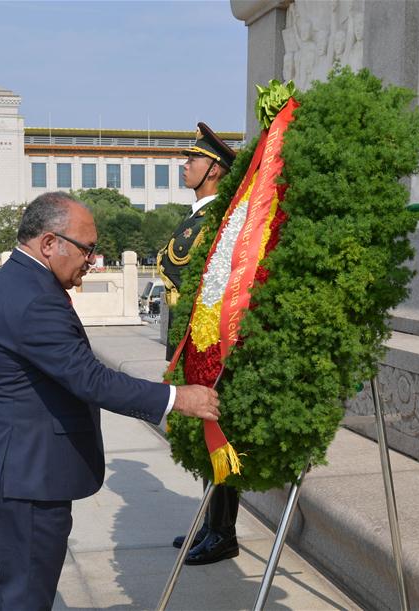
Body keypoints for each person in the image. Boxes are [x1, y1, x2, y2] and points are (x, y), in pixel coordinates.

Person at [0, 192, 221, 610]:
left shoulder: (24, 279)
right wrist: (177, 398)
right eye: (87, 249)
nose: (92, 261)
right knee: (26, 595)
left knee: (26, 588)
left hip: (20, 465)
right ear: (50, 243)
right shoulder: (33, 298)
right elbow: (90, 379)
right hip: (27, 474)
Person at [157, 123, 242, 565]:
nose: (185, 165)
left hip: (207, 343)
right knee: (201, 438)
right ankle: (210, 525)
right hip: (186, 340)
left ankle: (223, 533)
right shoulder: (196, 218)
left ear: (214, 170)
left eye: (193, 159)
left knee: (217, 436)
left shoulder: (216, 221)